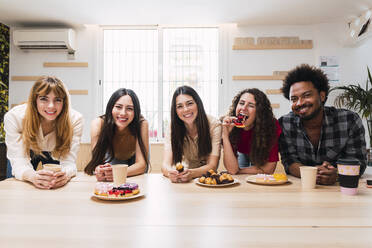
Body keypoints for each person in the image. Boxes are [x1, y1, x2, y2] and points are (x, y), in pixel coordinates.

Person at [279, 64, 367, 185]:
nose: (299, 103)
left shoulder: (349, 120)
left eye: (306, 95)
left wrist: (336, 174)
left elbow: (358, 162)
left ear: (322, 95)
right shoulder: (285, 123)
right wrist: (315, 174)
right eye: (294, 99)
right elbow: (290, 162)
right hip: (302, 188)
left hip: (341, 187)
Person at [4, 76, 83, 189]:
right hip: (26, 151)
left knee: (58, 187)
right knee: (17, 187)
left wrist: (64, 175)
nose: (51, 106)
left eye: (58, 100)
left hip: (55, 152)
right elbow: (19, 161)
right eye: (43, 99)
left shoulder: (75, 120)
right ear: (34, 100)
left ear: (64, 102)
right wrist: (32, 176)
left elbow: (69, 163)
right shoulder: (15, 117)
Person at [84, 88, 149, 181]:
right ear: (111, 108)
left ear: (136, 112)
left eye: (129, 108)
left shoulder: (142, 124)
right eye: (118, 107)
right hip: (113, 156)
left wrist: (118, 172)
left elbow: (141, 165)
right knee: (111, 180)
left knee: (138, 180)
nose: (123, 113)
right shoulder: (98, 123)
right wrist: (99, 170)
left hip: (135, 158)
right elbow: (97, 162)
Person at [161, 85, 221, 183]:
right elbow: (165, 165)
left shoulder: (214, 125)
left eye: (189, 104)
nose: (185, 109)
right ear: (175, 111)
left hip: (206, 181)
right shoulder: (173, 127)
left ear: (198, 104)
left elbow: (212, 166)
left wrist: (191, 174)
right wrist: (171, 173)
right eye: (180, 106)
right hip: (182, 181)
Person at [221, 88, 281, 175]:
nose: (244, 108)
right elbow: (233, 170)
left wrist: (240, 171)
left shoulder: (271, 127)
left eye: (251, 105)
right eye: (241, 103)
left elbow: (268, 169)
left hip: (259, 150)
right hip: (241, 150)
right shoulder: (230, 125)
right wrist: (225, 136)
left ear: (259, 112)